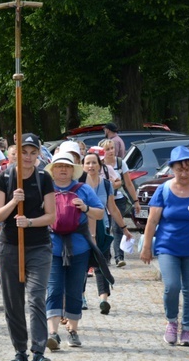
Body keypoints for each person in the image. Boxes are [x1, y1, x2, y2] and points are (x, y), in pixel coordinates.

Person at [140, 146, 189, 347]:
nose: (184, 174)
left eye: (188, 169)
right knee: (172, 286)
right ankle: (172, 322)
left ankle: (187, 329)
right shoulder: (163, 190)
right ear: (172, 169)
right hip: (168, 247)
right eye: (179, 170)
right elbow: (152, 221)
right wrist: (147, 246)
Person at [0, 134, 56, 361]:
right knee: (13, 301)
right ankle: (20, 351)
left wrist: (28, 222)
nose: (28, 157)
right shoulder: (5, 178)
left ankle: (38, 352)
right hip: (9, 246)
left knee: (37, 297)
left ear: (38, 154)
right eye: (24, 152)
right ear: (16, 154)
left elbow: (51, 216)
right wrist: (13, 202)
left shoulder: (43, 178)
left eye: (32, 152)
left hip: (39, 246)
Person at [44, 152, 104, 350]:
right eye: (59, 166)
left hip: (79, 248)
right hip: (52, 247)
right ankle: (52, 333)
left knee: (75, 290)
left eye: (67, 167)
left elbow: (100, 212)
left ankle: (73, 330)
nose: (63, 170)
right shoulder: (46, 189)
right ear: (53, 170)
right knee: (53, 288)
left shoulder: (83, 189)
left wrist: (85, 208)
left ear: (73, 170)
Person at [80, 151, 132, 315]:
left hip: (102, 228)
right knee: (81, 265)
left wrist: (124, 228)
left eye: (94, 163)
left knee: (101, 264)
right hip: (81, 229)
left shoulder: (107, 184)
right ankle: (80, 297)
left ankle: (104, 299)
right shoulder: (78, 184)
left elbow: (113, 209)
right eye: (87, 163)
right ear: (82, 166)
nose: (90, 166)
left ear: (100, 165)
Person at [100, 138, 141, 267]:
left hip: (118, 199)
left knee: (118, 227)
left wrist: (135, 201)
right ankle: (106, 257)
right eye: (107, 149)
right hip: (103, 201)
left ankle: (119, 257)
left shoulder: (120, 162)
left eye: (112, 148)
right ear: (102, 151)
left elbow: (128, 183)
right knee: (106, 228)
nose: (111, 151)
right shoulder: (98, 163)